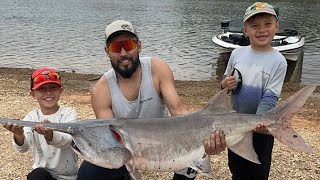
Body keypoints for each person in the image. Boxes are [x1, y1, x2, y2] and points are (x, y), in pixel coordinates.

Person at [76, 20, 226, 180]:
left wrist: (205, 140)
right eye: (115, 47)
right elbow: (111, 141)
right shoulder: (101, 90)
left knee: (194, 156)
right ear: (107, 51)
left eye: (128, 44)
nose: (123, 53)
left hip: (168, 140)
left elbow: (180, 113)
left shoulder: (158, 69)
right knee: (88, 172)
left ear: (139, 46)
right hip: (128, 149)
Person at [220, 2, 287, 180]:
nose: (261, 30)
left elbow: (271, 96)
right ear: (245, 30)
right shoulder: (237, 54)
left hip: (261, 129)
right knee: (236, 167)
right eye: (254, 26)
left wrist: (260, 120)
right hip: (235, 123)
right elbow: (224, 83)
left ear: (276, 26)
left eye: (267, 24)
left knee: (258, 169)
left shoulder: (279, 61)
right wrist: (225, 84)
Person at [3, 67, 78, 180]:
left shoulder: (69, 114)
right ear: (33, 94)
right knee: (37, 175)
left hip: (69, 176)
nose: (48, 92)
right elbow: (23, 148)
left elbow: (68, 141)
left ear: (61, 90)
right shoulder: (32, 117)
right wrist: (19, 134)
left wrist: (51, 135)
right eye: (41, 89)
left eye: (53, 87)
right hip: (42, 174)